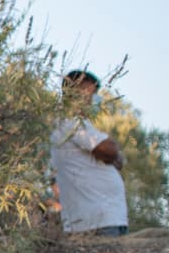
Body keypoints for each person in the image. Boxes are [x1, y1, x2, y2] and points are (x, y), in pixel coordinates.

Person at [49, 70, 128, 236]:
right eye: (90, 94)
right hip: (95, 222)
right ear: (74, 94)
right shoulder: (69, 122)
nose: (94, 100)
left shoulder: (79, 125)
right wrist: (111, 152)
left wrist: (111, 154)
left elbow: (114, 157)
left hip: (106, 219)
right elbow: (110, 151)